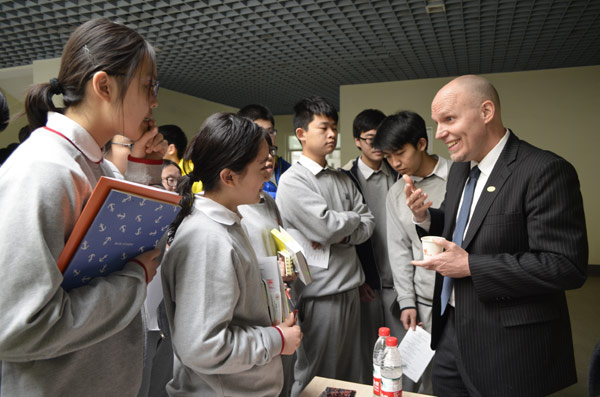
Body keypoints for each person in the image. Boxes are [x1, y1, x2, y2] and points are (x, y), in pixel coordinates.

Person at [0, 19, 166, 396]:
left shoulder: (98, 166)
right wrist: (133, 279)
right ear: (104, 85)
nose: (155, 100)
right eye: (148, 85)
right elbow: (17, 328)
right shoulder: (41, 171)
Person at [404, 75, 588, 396]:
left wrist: (471, 266)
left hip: (509, 346)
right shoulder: (461, 170)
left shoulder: (543, 170)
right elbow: (460, 226)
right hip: (450, 333)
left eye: (449, 119)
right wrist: (425, 217)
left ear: (486, 112)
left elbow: (565, 266)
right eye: (437, 123)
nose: (440, 133)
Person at [160, 112, 302, 396]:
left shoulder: (228, 222)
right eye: (262, 167)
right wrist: (275, 340)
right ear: (229, 177)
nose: (269, 174)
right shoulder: (207, 239)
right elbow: (202, 346)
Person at [276, 96, 375, 396]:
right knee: (317, 375)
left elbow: (368, 223)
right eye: (324, 128)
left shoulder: (342, 178)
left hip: (350, 289)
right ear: (302, 134)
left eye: (334, 127)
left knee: (351, 374)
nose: (332, 134)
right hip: (319, 294)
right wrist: (348, 222)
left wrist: (341, 233)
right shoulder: (294, 181)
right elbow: (325, 226)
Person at [372, 110, 451, 394]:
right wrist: (406, 301)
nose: (395, 163)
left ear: (421, 143)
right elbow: (399, 251)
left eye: (399, 153)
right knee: (420, 380)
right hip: (423, 302)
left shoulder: (460, 177)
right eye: (388, 157)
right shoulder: (396, 194)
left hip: (461, 300)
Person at [339, 108, 401, 384]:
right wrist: (359, 276)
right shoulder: (345, 179)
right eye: (370, 139)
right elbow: (344, 236)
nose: (377, 146)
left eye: (382, 139)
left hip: (400, 282)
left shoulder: (400, 174)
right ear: (357, 141)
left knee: (400, 357)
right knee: (366, 354)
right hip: (365, 283)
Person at [237, 104, 291, 199]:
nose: (267, 138)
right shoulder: (238, 174)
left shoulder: (287, 169)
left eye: (270, 132)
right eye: (259, 132)